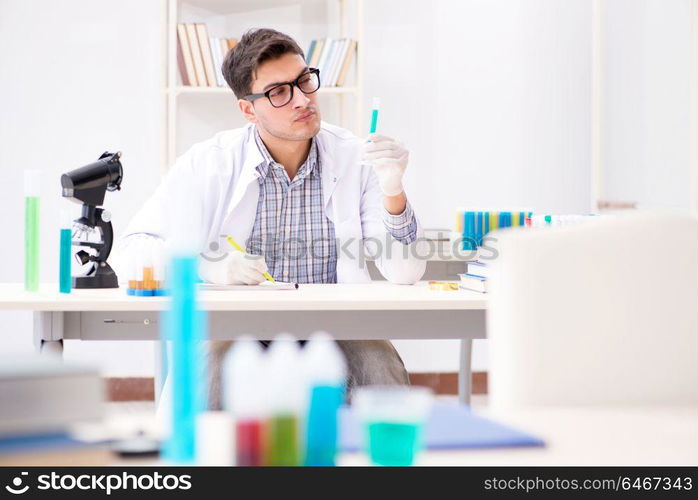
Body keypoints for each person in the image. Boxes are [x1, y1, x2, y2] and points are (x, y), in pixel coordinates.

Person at [116, 28, 426, 408]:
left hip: (337, 326)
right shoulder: (209, 162)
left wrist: (394, 190)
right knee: (207, 366)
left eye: (304, 82)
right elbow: (134, 249)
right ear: (248, 110)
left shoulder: (355, 158)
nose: (302, 100)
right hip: (236, 326)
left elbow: (405, 272)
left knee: (378, 362)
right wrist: (209, 266)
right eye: (279, 92)